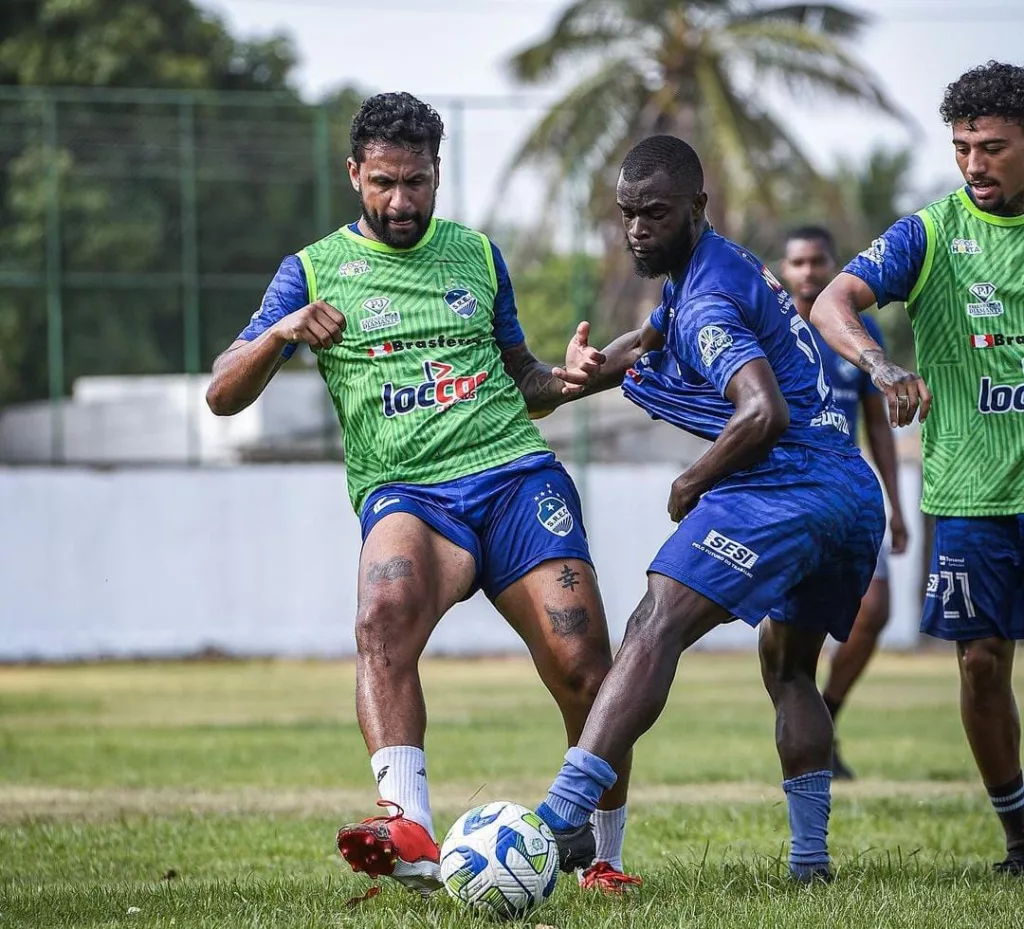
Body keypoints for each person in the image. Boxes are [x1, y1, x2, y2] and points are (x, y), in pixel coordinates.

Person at [205, 91, 638, 894]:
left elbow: (525, 383)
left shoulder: (477, 255)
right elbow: (222, 396)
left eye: (417, 182)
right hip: (410, 495)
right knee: (381, 613)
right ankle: (407, 827)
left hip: (514, 480)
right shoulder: (309, 271)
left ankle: (602, 856)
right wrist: (279, 332)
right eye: (382, 183)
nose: (400, 201)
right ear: (353, 175)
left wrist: (573, 380)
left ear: (439, 174)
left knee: (584, 663)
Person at [529, 135, 885, 883]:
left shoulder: (710, 301)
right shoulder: (707, 269)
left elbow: (763, 412)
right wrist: (582, 375)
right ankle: (810, 863)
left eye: (654, 213)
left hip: (785, 483)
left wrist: (693, 480)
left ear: (697, 206)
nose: (636, 230)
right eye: (627, 214)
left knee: (654, 619)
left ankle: (559, 819)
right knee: (789, 669)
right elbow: (648, 339)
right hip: (848, 493)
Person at [809, 61, 1024, 874]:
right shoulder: (930, 233)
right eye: (964, 147)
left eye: (994, 148)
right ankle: (1018, 832)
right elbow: (834, 301)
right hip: (971, 493)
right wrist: (882, 365)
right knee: (979, 660)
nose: (975, 165)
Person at [780, 226, 909, 780]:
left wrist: (897, 504)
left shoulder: (858, 332)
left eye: (818, 261)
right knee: (787, 640)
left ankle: (826, 719)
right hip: (787, 497)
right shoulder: (771, 328)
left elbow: (877, 427)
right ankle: (806, 742)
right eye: (798, 263)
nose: (809, 272)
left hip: (851, 494)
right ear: (785, 271)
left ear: (834, 266)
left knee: (876, 610)